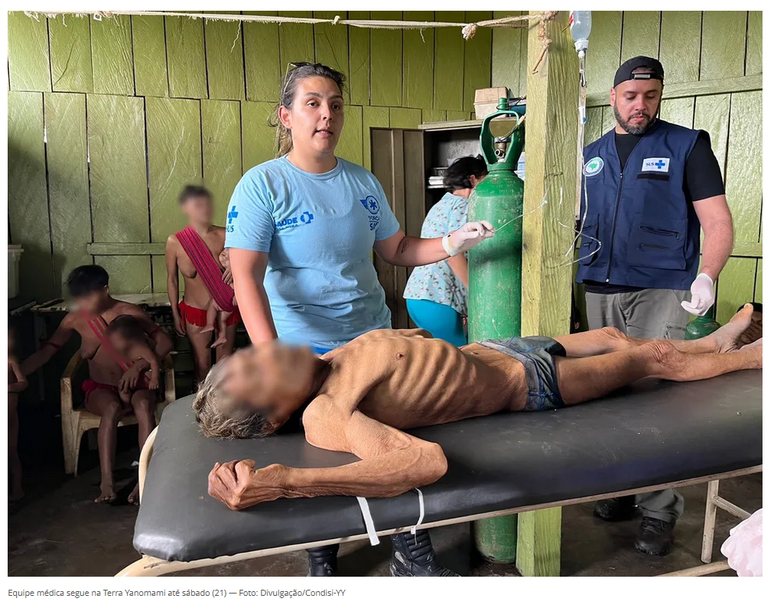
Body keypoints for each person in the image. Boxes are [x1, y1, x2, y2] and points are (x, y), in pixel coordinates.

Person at [224, 62, 494, 576]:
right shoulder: (263, 186)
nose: (327, 114)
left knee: (394, 442)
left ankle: (410, 548)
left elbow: (397, 249)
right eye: (312, 103)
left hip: (373, 343)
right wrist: (270, 357)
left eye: (335, 104)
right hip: (307, 353)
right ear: (286, 116)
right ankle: (321, 550)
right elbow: (247, 278)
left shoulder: (362, 183)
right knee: (322, 449)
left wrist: (452, 242)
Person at [198, 307, 760, 544]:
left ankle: (711, 344)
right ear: (275, 417)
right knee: (651, 360)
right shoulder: (327, 414)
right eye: (260, 375)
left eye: (251, 356)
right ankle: (753, 356)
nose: (265, 354)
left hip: (496, 350)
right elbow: (423, 462)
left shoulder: (333, 356)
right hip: (526, 384)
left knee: (615, 336)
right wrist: (289, 481)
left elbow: (419, 353)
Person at [577, 56, 734, 554]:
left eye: (650, 95)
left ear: (660, 95)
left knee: (657, 395)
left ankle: (658, 510)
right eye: (630, 96)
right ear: (614, 95)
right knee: (604, 392)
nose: (640, 105)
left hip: (663, 286)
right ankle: (620, 491)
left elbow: (717, 222)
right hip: (599, 287)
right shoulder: (590, 154)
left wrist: (707, 275)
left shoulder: (687, 146)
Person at [21, 265, 173, 504]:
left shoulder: (129, 312)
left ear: (105, 290)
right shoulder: (75, 320)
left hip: (137, 385)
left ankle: (147, 477)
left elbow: (164, 343)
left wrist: (139, 367)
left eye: (89, 295)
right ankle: (107, 482)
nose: (84, 302)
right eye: (80, 297)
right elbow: (45, 354)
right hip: (101, 387)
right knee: (111, 409)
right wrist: (16, 373)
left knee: (144, 404)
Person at [403, 156, 488, 346]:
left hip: (418, 296)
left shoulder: (442, 204)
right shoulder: (464, 206)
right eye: (486, 179)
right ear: (474, 180)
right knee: (459, 363)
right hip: (438, 299)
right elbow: (454, 254)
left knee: (441, 360)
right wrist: (476, 296)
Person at [166, 186, 240, 385]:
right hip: (195, 311)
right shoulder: (175, 242)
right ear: (186, 208)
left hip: (226, 307)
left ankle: (224, 412)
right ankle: (202, 410)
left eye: (207, 204)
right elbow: (172, 279)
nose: (204, 209)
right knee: (202, 365)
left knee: (224, 366)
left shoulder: (228, 236)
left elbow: (249, 266)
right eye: (197, 205)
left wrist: (236, 264)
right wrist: (175, 313)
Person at [106, 315, 161, 406]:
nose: (113, 344)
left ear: (130, 339)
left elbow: (153, 362)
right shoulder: (122, 350)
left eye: (115, 341)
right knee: (123, 391)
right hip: (131, 381)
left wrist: (155, 379)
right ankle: (127, 406)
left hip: (145, 381)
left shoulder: (142, 349)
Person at [8, 323, 28, 502]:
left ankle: (17, 488)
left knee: (11, 451)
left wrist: (8, 387)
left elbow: (23, 383)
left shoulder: (10, 360)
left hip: (10, 414)